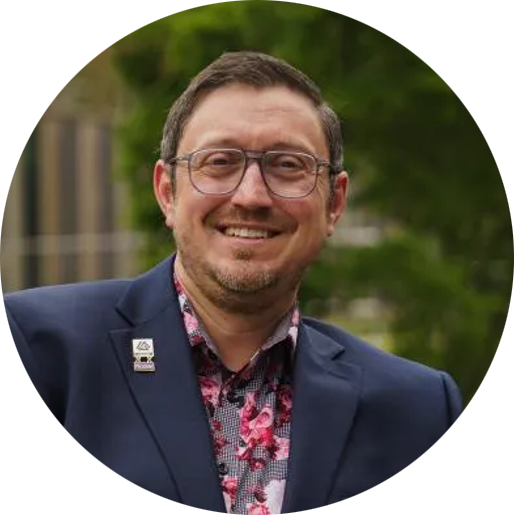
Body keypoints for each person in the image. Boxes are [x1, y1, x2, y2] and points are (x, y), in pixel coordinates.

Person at [4, 52, 461, 514]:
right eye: (220, 161)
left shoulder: (417, 410)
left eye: (288, 165)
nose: (251, 196)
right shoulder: (33, 351)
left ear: (334, 204)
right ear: (167, 192)